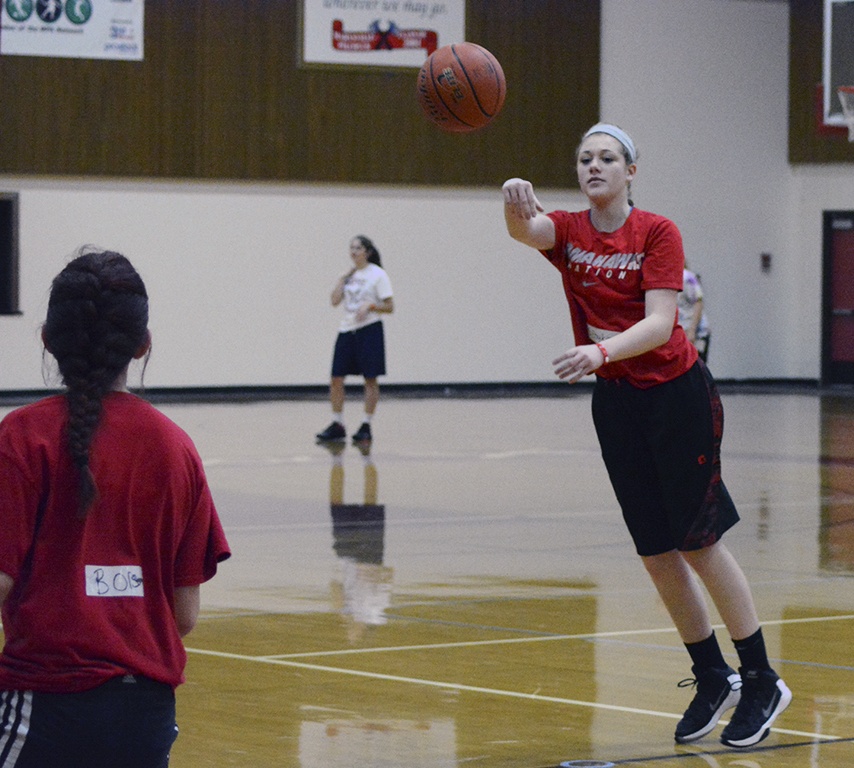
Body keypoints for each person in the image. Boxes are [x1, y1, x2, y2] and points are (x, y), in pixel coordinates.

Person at [502, 124, 791, 749]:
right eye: (584, 158)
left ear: (632, 171)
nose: (594, 166)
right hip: (619, 402)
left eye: (607, 157)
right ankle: (712, 674)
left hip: (677, 397)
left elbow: (662, 324)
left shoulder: (657, 232)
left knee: (699, 542)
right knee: (655, 550)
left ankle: (762, 676)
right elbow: (527, 231)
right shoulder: (572, 231)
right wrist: (513, 200)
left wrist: (599, 350)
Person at [0, 248, 231, 767]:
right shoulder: (177, 448)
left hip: (45, 706)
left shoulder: (21, 437)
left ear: (47, 340)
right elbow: (184, 613)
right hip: (145, 715)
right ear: (143, 345)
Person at [316, 235, 394, 444]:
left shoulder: (378, 275)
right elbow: (334, 301)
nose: (354, 252)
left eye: (358, 248)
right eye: (351, 248)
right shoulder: (349, 275)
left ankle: (366, 424)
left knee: (370, 379)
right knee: (336, 378)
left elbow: (390, 306)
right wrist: (341, 280)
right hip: (347, 329)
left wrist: (371, 306)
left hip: (369, 330)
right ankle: (337, 423)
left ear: (367, 252)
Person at [678, 265, 711, 362]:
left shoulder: (687, 277)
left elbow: (698, 302)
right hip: (680, 333)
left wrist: (692, 331)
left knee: (696, 368)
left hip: (696, 333)